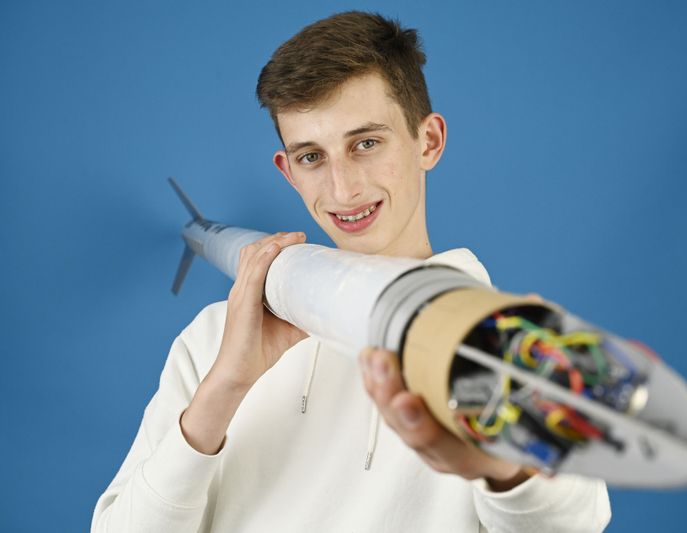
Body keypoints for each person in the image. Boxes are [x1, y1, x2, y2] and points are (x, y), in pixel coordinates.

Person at [92, 11, 611, 532]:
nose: (343, 190)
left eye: (366, 143)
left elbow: (574, 523)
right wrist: (225, 385)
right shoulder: (213, 339)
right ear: (288, 171)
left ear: (427, 141)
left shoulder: (499, 343)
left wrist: (507, 467)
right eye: (313, 157)